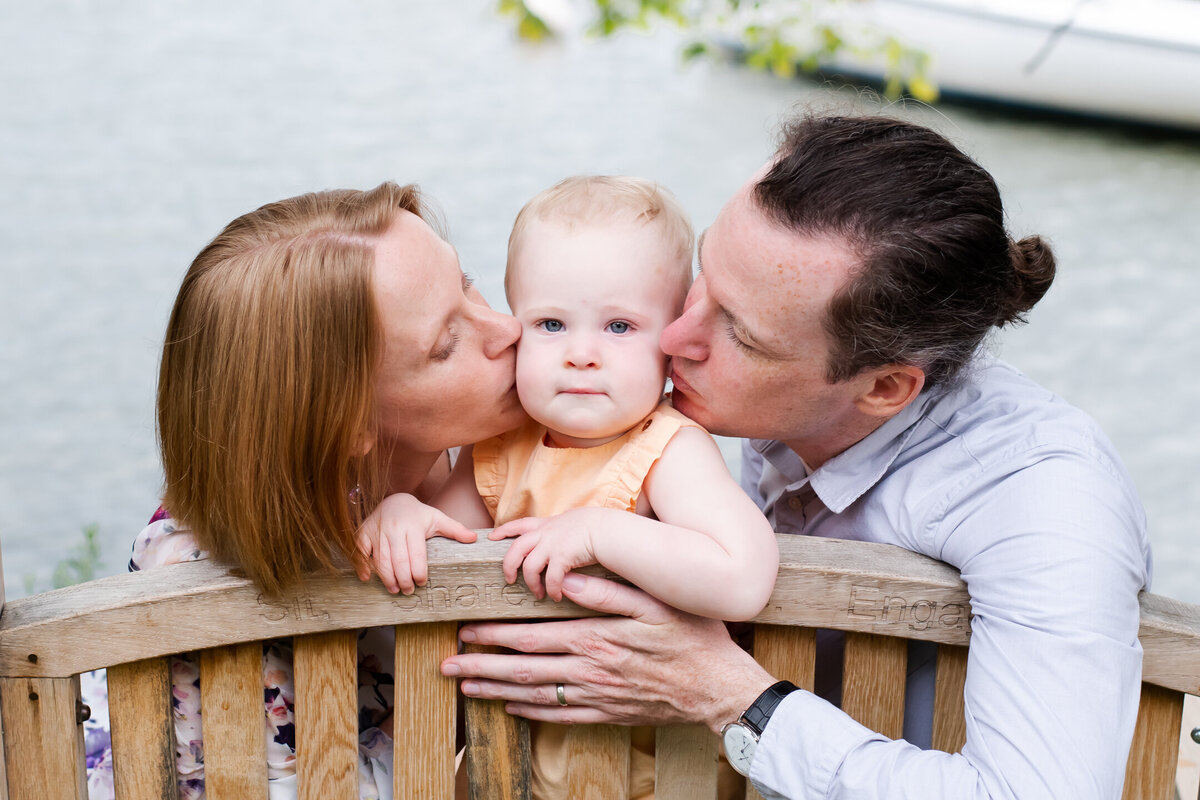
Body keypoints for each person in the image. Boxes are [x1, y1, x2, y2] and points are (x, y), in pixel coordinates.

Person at [438, 114, 1152, 799]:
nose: (676, 337)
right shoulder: (772, 391)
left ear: (883, 388)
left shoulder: (1046, 506)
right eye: (703, 278)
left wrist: (728, 694)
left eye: (740, 335)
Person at [84, 181, 527, 799]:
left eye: (468, 281)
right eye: (446, 343)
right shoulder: (205, 596)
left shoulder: (483, 455)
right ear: (346, 425)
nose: (507, 328)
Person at [357, 175, 777, 799]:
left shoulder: (666, 449)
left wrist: (599, 531)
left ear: (672, 339)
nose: (582, 353)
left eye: (619, 327)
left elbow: (743, 578)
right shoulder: (499, 449)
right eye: (551, 324)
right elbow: (449, 553)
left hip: (650, 774)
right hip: (516, 768)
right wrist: (402, 513)